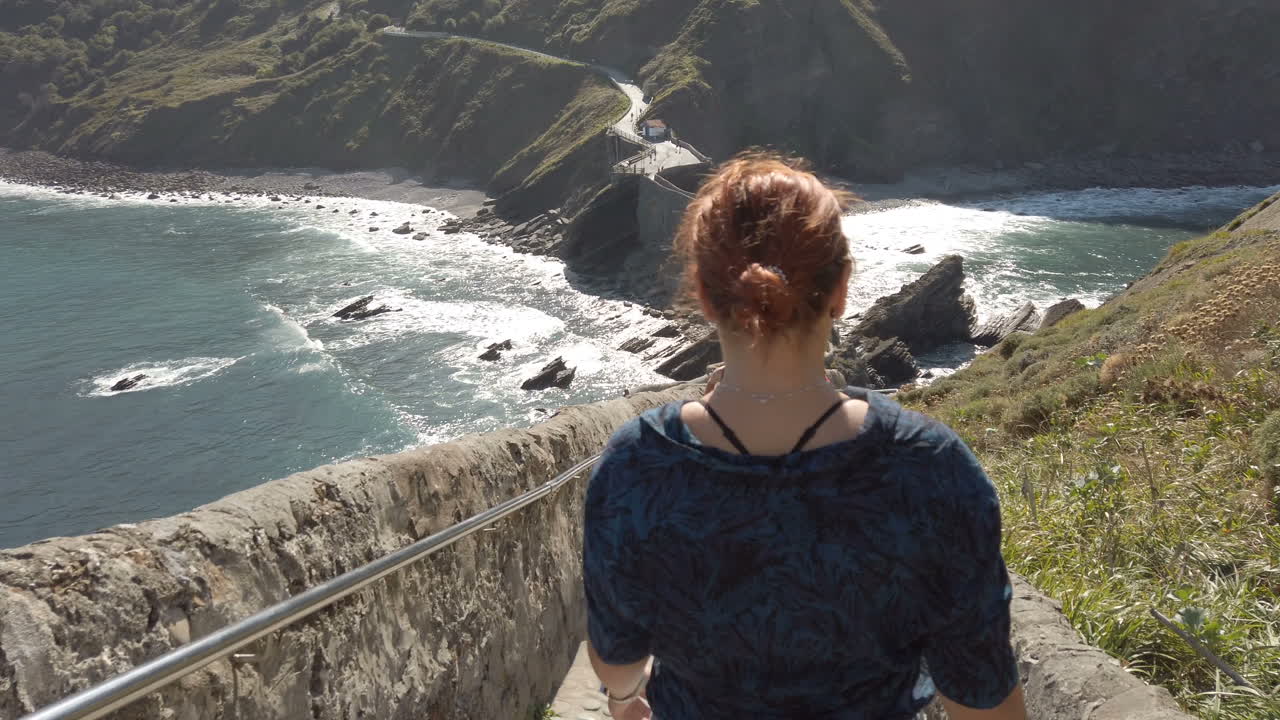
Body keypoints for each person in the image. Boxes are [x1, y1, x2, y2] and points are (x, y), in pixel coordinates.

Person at [582, 153, 1026, 720]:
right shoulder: (930, 466)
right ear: (841, 288)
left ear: (703, 290)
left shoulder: (637, 463)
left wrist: (624, 701)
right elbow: (983, 696)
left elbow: (618, 656)